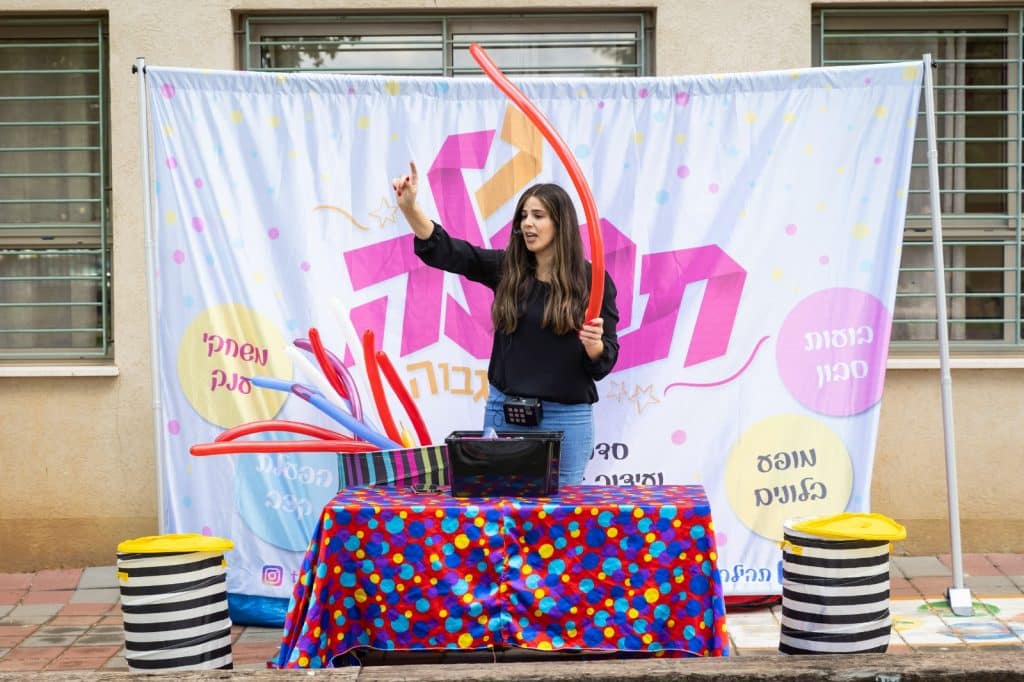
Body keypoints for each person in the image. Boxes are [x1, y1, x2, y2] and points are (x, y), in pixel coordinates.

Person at [392, 161, 619, 485]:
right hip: (506, 413)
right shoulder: (508, 269)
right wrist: (411, 209)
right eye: (523, 216)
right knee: (500, 508)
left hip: (567, 419)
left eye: (538, 215)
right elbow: (451, 252)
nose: (528, 223)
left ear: (561, 223)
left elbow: (604, 361)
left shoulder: (592, 280)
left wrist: (594, 346)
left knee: (564, 512)